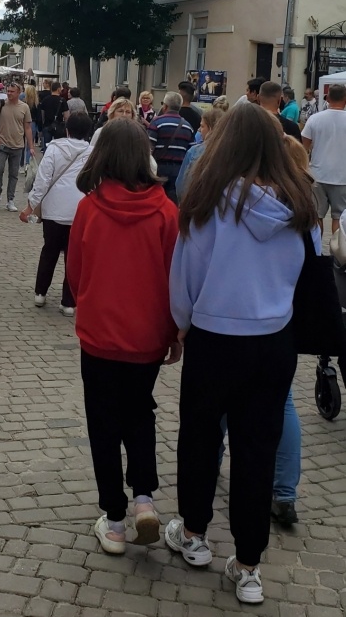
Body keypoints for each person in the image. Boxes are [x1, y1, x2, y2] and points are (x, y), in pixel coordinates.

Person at [166, 103, 319, 605]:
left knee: (200, 439)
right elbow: (306, 276)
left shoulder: (206, 202)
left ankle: (193, 535)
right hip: (273, 339)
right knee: (257, 449)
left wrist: (184, 325)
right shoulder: (301, 207)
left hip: (214, 335)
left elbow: (185, 274)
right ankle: (249, 565)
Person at [67, 119, 181, 555]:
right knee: (140, 413)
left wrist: (90, 301)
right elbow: (175, 277)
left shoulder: (89, 209)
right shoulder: (167, 211)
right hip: (147, 335)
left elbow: (75, 275)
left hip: (99, 334)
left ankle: (114, 520)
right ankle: (145, 499)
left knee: (102, 423)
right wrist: (173, 333)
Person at [21, 112, 92, 315]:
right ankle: (68, 302)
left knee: (49, 251)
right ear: (88, 132)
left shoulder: (53, 149)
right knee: (73, 256)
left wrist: (30, 205)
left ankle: (40, 293)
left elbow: (42, 180)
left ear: (67, 129)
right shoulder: (93, 152)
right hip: (80, 211)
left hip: (53, 210)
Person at [302, 83, 346, 234]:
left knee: (317, 216)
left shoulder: (314, 119)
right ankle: (337, 253)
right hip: (342, 177)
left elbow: (303, 148)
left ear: (327, 98)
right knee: (339, 218)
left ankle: (317, 251)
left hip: (318, 175)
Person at [0, 82, 34, 211]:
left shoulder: (24, 107)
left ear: (19, 92)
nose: (9, 93)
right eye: (8, 91)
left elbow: (27, 128)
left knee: (13, 174)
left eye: (12, 91)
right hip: (2, 143)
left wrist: (30, 146)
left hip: (18, 145)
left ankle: (10, 199)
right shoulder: (1, 105)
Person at [147, 92, 194, 204]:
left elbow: (148, 148)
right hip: (179, 170)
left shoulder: (156, 123)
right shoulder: (188, 126)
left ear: (165, 106)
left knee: (156, 200)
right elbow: (191, 152)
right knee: (172, 202)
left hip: (159, 168)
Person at [175, 108, 223, 203]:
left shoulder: (194, 152)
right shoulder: (232, 153)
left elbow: (181, 185)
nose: (199, 130)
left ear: (211, 128)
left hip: (194, 205)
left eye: (202, 126)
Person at [40, 80, 68, 148]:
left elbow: (42, 114)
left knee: (47, 146)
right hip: (59, 126)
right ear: (58, 89)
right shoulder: (62, 100)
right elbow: (66, 116)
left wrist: (42, 125)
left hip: (47, 125)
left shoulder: (45, 100)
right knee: (58, 147)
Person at [23, 84, 40, 168]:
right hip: (32, 123)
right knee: (30, 144)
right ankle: (27, 163)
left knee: (21, 144)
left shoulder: (23, 102)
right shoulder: (36, 104)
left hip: (22, 123)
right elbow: (38, 116)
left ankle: (21, 164)